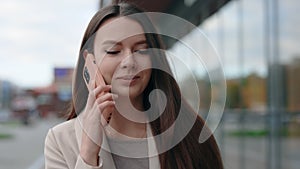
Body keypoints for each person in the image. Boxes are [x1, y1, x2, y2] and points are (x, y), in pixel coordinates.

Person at [44, 2, 223, 169]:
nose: (129, 62)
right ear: (90, 61)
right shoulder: (60, 141)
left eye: (141, 50)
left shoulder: (190, 133)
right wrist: (88, 153)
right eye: (113, 51)